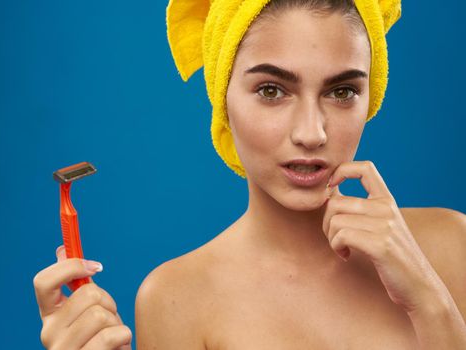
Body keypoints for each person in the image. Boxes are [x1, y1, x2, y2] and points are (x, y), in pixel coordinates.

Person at [33, 0, 466, 349]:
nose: (311, 133)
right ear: (224, 99)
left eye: (341, 91)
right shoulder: (176, 299)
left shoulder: (450, 245)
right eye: (272, 90)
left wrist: (432, 304)